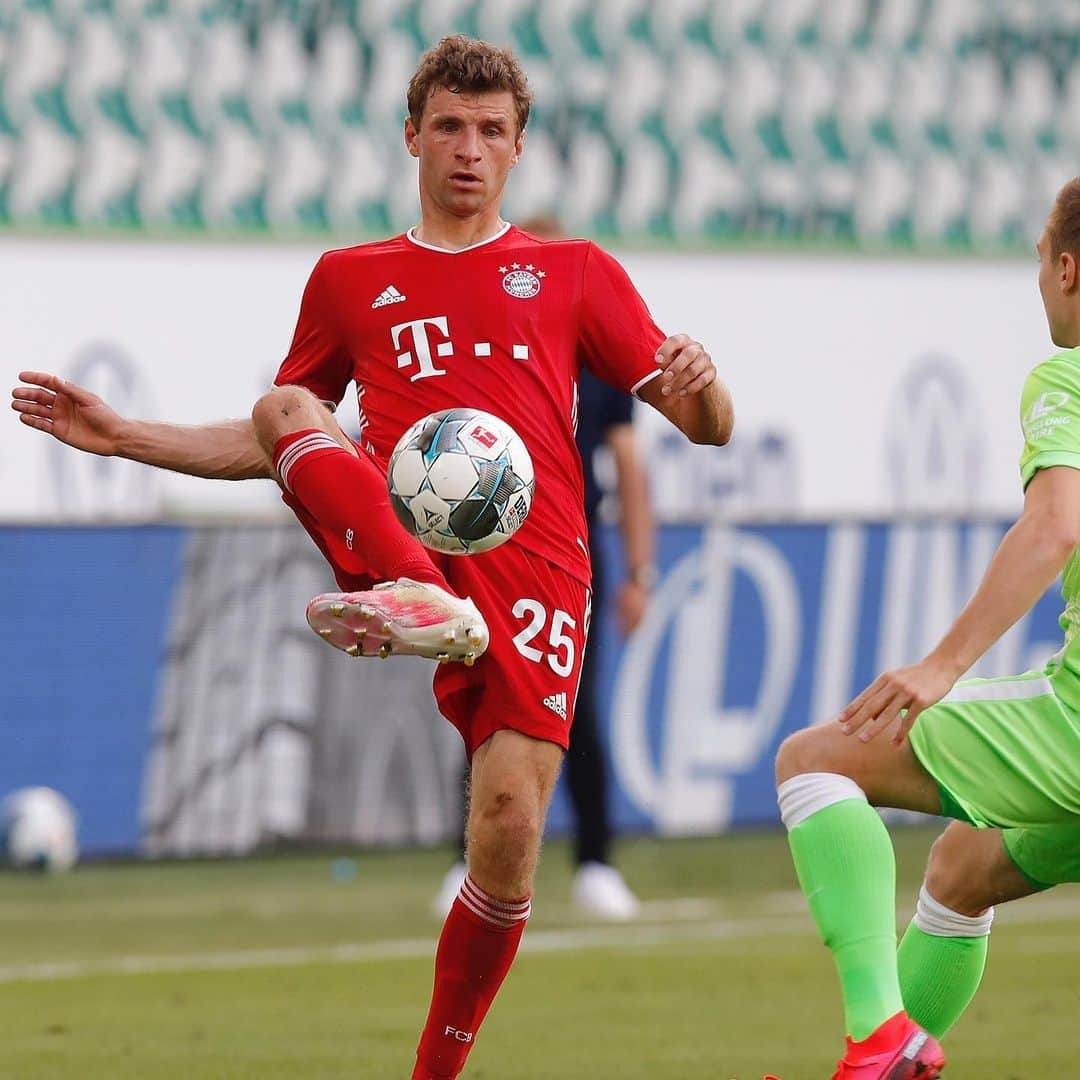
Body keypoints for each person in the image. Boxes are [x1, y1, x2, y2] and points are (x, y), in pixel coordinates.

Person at [12, 36, 733, 1080]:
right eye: (449, 126)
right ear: (412, 136)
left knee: (508, 827)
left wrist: (704, 380)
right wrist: (128, 436)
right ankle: (416, 586)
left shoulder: (575, 273)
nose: (469, 149)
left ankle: (434, 1071)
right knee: (285, 401)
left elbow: (704, 426)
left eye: (492, 131)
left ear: (520, 147)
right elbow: (279, 437)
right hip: (412, 560)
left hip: (539, 574)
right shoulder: (352, 280)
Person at [774, 177, 1080, 1080]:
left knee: (815, 759)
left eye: (1036, 261)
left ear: (1067, 269)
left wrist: (944, 664)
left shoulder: (1067, 376)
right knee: (961, 869)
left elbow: (1057, 523)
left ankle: (880, 1036)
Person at [435, 214, 656, 917]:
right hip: (488, 540)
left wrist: (639, 572)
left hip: (574, 545)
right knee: (478, 692)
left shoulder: (594, 349)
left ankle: (595, 862)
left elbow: (626, 462)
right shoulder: (483, 348)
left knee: (577, 706)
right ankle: (461, 860)